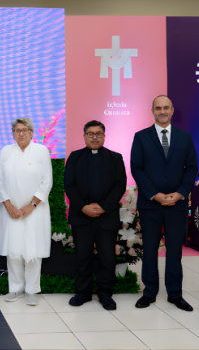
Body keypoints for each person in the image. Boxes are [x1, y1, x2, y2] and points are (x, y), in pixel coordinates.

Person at [130, 95, 198, 311]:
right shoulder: (141, 137)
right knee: (149, 249)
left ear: (172, 110)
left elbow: (191, 168)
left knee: (175, 251)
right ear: (152, 111)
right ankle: (149, 292)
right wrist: (155, 195)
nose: (162, 111)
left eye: (166, 107)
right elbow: (136, 168)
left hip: (177, 204)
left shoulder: (185, 137)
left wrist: (180, 194)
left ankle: (175, 294)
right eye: (158, 108)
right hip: (151, 204)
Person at [64, 120, 127, 311]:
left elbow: (120, 184)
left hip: (106, 215)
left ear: (104, 136)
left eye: (98, 133)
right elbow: (69, 184)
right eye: (90, 134)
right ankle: (82, 292)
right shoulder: (74, 157)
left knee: (107, 257)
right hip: (81, 215)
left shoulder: (115, 158)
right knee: (82, 255)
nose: (94, 137)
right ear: (84, 136)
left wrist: (103, 206)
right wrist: (83, 206)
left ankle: (105, 294)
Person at [0, 118, 53, 307]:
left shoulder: (41, 151)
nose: (21, 133)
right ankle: (15, 288)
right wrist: (8, 204)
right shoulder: (6, 151)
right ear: (13, 133)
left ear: (32, 132)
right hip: (10, 211)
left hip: (35, 210)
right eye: (18, 130)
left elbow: (47, 181)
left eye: (25, 130)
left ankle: (31, 290)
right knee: (13, 249)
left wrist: (32, 205)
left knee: (32, 249)